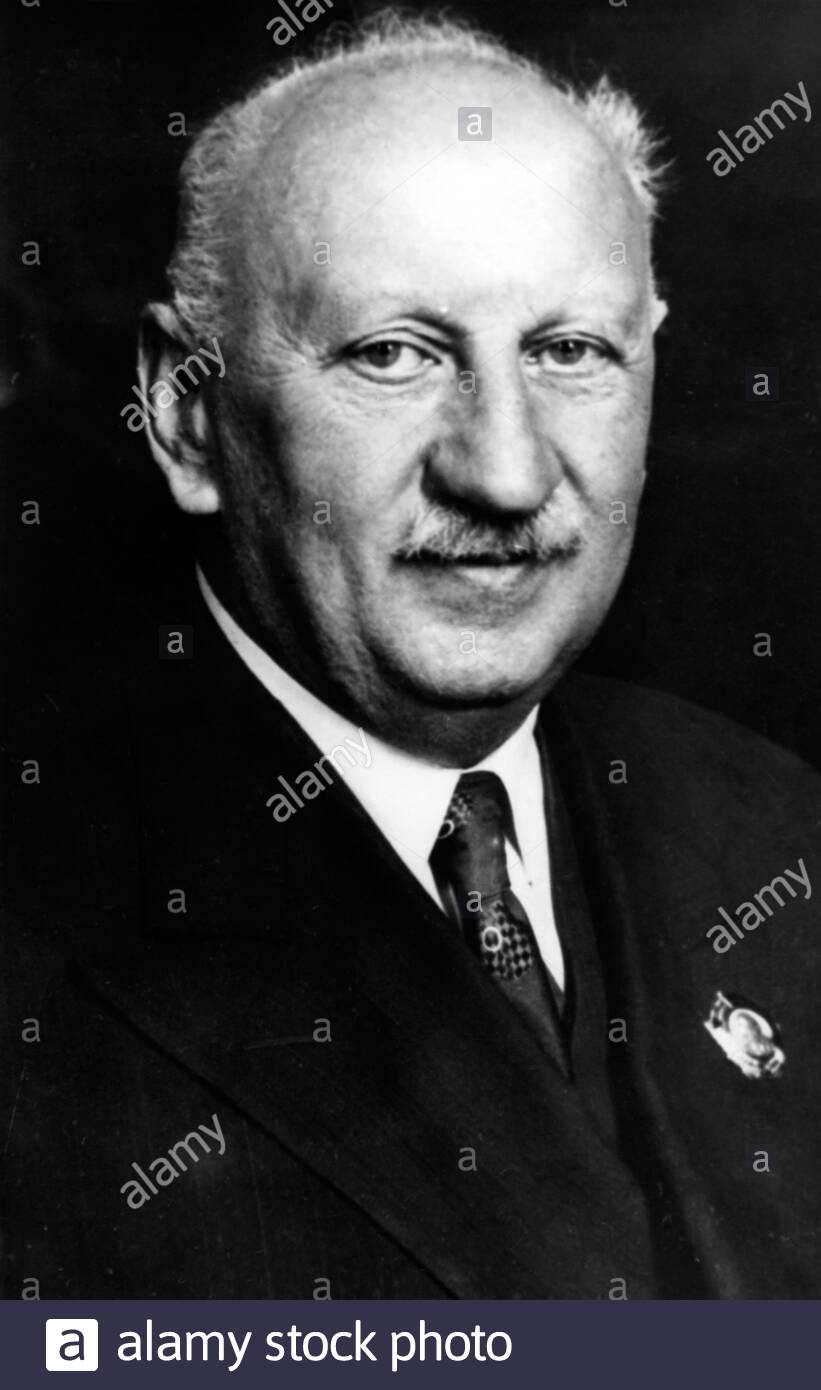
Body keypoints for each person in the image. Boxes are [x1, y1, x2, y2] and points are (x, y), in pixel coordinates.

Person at [4, 13, 820, 1300]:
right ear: (186, 414)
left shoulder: (770, 827)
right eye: (392, 354)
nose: (504, 471)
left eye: (568, 351)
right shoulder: (38, 927)